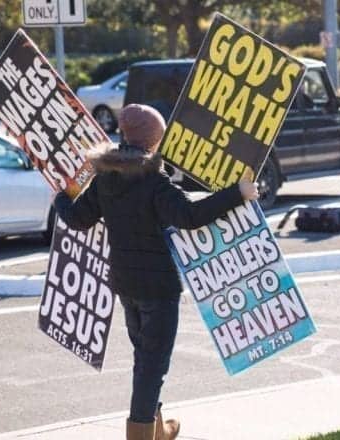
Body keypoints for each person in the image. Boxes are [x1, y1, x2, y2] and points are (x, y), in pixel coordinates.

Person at [53, 104, 259, 440]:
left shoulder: (105, 176)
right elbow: (189, 216)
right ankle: (142, 435)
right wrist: (238, 192)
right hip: (158, 288)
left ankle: (158, 430)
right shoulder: (152, 179)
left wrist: (61, 199)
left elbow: (77, 218)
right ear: (152, 142)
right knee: (152, 365)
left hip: (125, 283)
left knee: (145, 360)